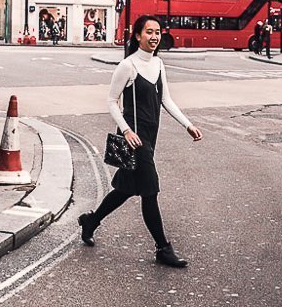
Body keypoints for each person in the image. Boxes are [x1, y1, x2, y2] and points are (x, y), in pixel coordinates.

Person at [78, 15, 203, 268]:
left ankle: (91, 221)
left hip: (150, 135)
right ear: (137, 36)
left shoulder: (158, 63)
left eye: (157, 32)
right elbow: (112, 101)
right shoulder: (128, 65)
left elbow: (166, 100)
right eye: (149, 32)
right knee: (150, 191)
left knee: (125, 190)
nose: (154, 36)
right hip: (134, 138)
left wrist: (187, 124)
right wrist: (125, 131)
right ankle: (163, 248)